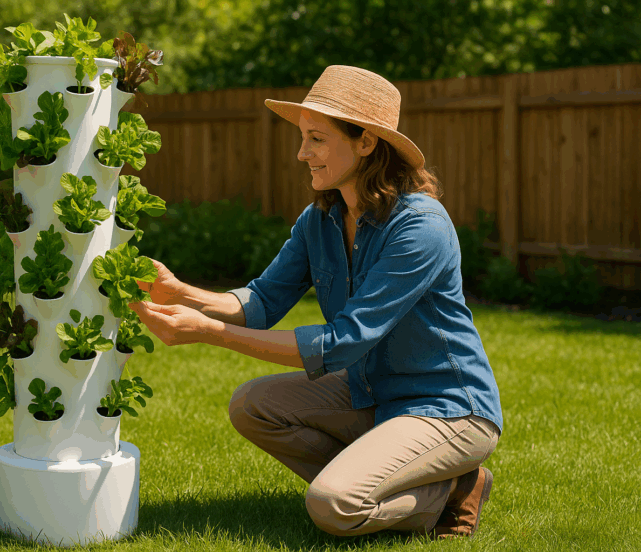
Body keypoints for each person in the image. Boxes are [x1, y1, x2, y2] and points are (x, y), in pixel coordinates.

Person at [127, 65, 503, 540]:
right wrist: (181, 292)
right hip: (373, 392)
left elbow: (342, 345)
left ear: (366, 142)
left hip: (446, 407)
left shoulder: (420, 227)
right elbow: (261, 300)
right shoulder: (320, 219)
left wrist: (210, 333)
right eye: (303, 137)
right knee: (253, 405)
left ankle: (452, 488)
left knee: (333, 506)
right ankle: (391, 476)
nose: (302, 153)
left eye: (317, 139)